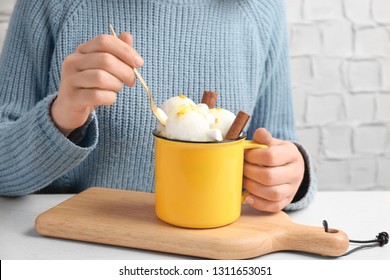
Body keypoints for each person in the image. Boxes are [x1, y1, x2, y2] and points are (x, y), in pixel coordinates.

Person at [0, 0, 316, 212]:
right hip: (79, 249)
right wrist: (61, 116)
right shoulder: (54, 4)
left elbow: (276, 146)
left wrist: (292, 176)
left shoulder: (261, 8)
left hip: (214, 254)